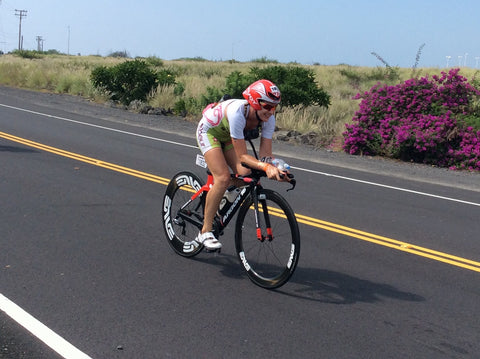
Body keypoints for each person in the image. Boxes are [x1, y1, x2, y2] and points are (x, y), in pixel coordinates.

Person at [196, 79, 288, 250]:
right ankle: (205, 231)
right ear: (253, 101)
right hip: (209, 132)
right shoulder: (238, 113)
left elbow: (266, 156)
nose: (270, 111)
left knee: (247, 175)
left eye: (274, 107)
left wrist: (277, 168)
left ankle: (223, 194)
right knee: (222, 178)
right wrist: (266, 167)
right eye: (267, 106)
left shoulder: (268, 119)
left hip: (228, 137)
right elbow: (243, 156)